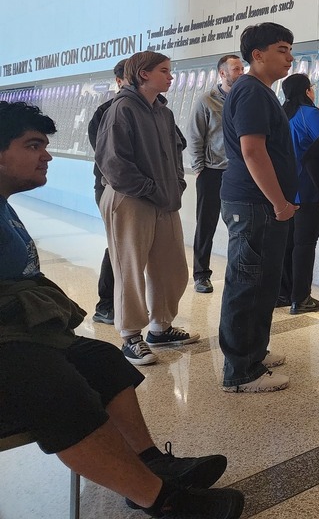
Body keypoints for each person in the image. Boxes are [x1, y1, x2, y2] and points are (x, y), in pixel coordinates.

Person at [0, 101, 244, 518]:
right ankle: (161, 500)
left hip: (19, 334)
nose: (47, 155)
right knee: (59, 387)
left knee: (102, 359)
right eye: (32, 145)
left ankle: (148, 461)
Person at [95, 52, 197, 367]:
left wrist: (176, 184)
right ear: (143, 74)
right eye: (164, 71)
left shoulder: (163, 112)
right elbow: (113, 162)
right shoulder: (122, 109)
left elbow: (175, 153)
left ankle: (161, 327)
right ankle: (130, 336)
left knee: (172, 267)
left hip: (164, 199)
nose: (171, 77)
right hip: (130, 199)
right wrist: (150, 190)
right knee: (129, 268)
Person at [218, 23, 297, 393]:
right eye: (282, 49)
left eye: (290, 49)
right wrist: (278, 201)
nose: (290, 57)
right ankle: (239, 371)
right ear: (257, 55)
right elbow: (252, 151)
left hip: (259, 203)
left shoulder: (259, 92)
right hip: (254, 203)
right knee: (247, 283)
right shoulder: (251, 92)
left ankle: (254, 352)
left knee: (263, 281)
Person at [185, 54, 245, 294]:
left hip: (239, 172)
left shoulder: (244, 98)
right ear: (222, 73)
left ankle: (239, 272)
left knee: (240, 225)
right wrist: (199, 168)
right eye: (236, 69)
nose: (241, 72)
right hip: (212, 171)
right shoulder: (206, 101)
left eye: (242, 68)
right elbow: (195, 135)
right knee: (206, 225)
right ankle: (201, 275)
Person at [279, 73, 319, 314]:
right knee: (305, 244)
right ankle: (301, 298)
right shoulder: (309, 115)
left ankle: (285, 293)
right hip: (310, 189)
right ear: (307, 91)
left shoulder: (282, 114)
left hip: (287, 189)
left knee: (289, 243)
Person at [86, 58, 127, 325]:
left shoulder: (157, 110)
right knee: (116, 245)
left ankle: (124, 304)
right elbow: (107, 157)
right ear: (119, 81)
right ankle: (106, 305)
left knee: (129, 249)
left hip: (141, 193)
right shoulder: (105, 112)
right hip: (112, 189)